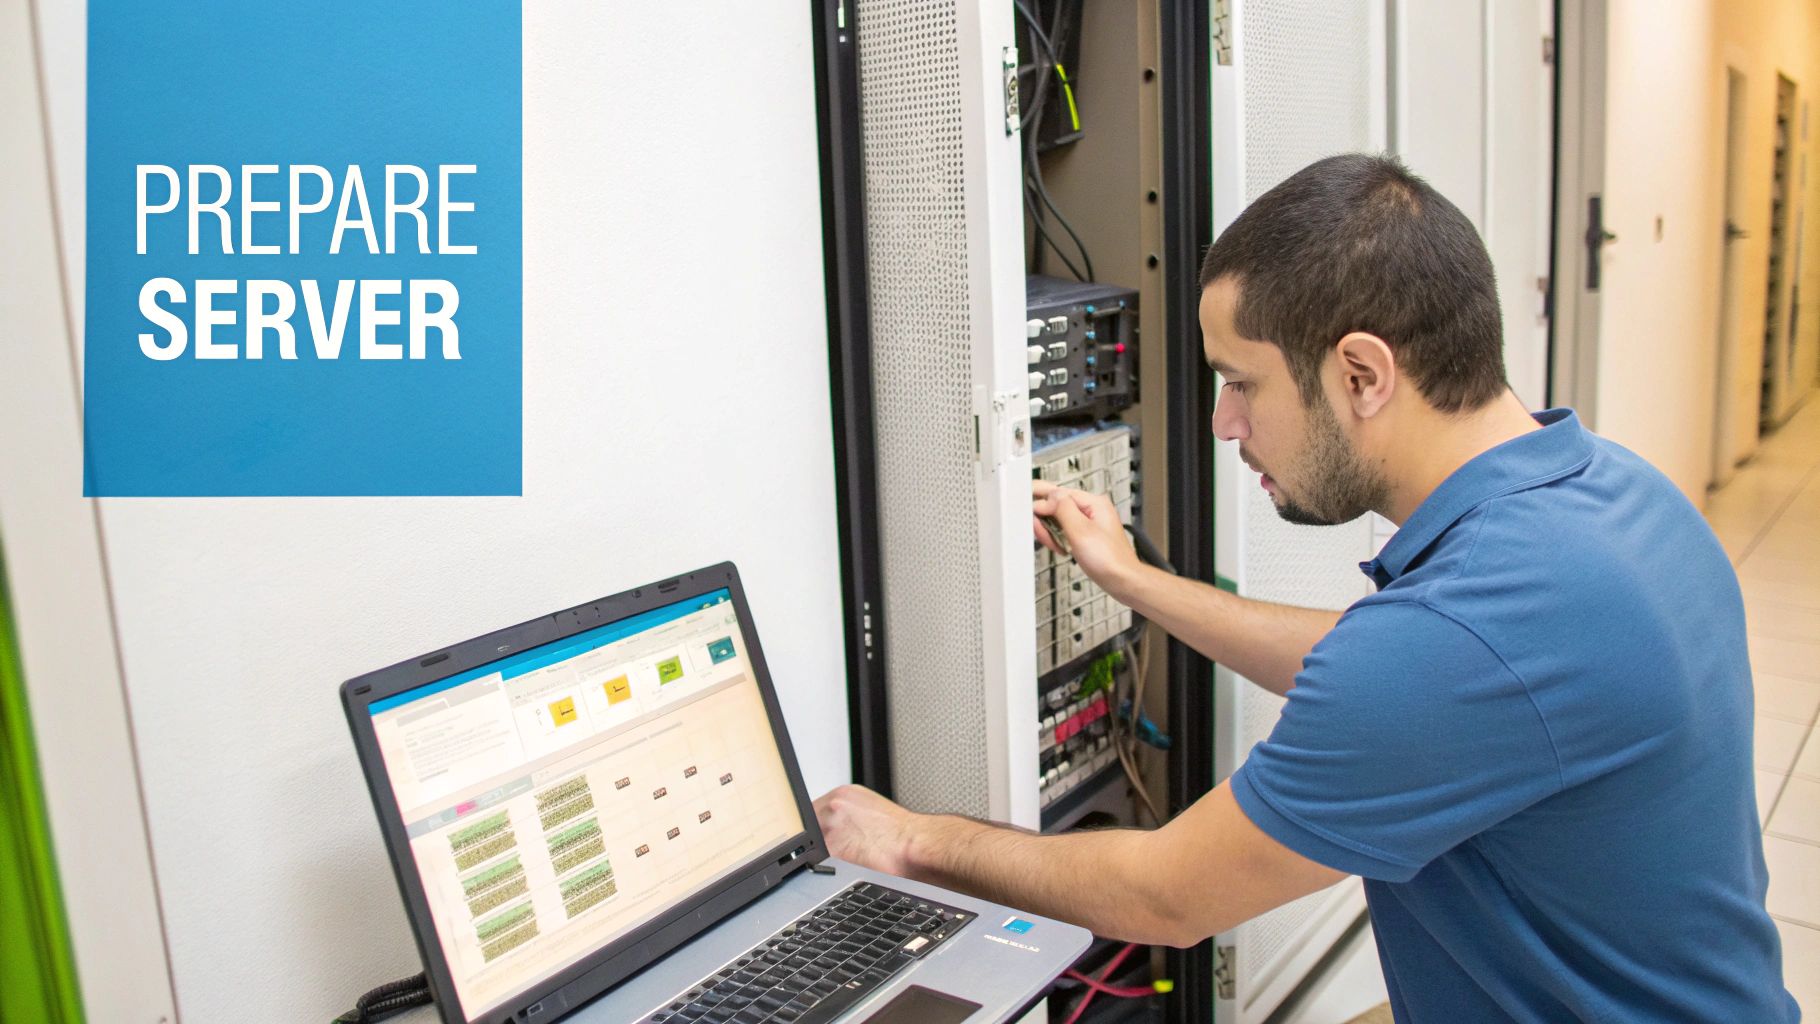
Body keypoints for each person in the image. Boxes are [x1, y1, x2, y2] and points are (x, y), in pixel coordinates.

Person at [814, 153, 1798, 1022]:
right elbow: (1378, 663)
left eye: (1240, 381)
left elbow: (1164, 898)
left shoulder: (1449, 647)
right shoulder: (1603, 496)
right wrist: (1134, 581)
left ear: (1361, 372)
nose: (1221, 424)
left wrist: (911, 838)